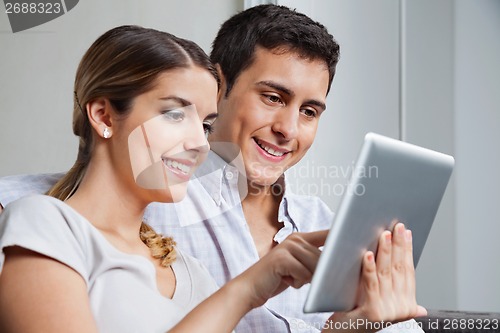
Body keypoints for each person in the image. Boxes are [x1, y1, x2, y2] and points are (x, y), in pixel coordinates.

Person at [0, 5, 427, 333]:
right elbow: (51, 203)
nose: (288, 129)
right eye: (273, 98)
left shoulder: (321, 226)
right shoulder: (154, 190)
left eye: (310, 111)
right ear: (220, 88)